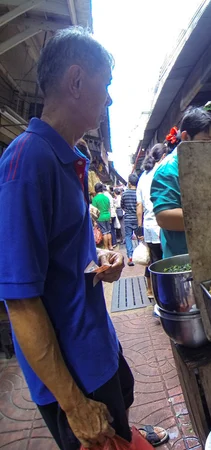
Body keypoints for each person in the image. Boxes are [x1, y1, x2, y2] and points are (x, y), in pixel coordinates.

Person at [0, 27, 167, 449]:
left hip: (97, 348)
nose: (109, 99)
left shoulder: (68, 159)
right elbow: (20, 301)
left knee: (123, 426)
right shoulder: (26, 161)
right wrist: (74, 405)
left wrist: (101, 257)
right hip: (73, 375)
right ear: (76, 81)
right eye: (105, 84)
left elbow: (58, 254)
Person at [151, 107, 211, 258]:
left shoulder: (206, 164)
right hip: (184, 256)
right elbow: (164, 217)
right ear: (185, 137)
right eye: (206, 141)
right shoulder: (169, 170)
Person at [137, 143, 168, 297]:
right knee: (167, 262)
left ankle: (155, 294)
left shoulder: (143, 176)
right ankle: (166, 295)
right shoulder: (163, 170)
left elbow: (139, 205)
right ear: (163, 156)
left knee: (154, 262)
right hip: (161, 224)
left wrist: (139, 227)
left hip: (148, 226)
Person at [121, 174, 140, 266]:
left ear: (129, 183)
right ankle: (141, 256)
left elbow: (122, 206)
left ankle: (130, 257)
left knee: (128, 237)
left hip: (128, 219)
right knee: (140, 237)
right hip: (138, 218)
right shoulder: (139, 193)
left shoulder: (124, 193)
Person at [92, 183, 113, 250]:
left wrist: (94, 221)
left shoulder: (95, 199)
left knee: (104, 233)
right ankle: (111, 246)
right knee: (109, 231)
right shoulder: (106, 198)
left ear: (95, 190)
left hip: (100, 217)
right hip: (107, 215)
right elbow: (109, 208)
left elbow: (94, 211)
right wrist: (110, 217)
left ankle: (106, 247)